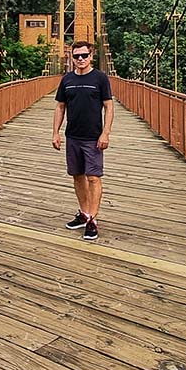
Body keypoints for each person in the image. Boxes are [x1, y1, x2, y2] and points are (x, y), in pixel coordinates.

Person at [52, 41, 113, 241]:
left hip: (93, 138)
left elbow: (109, 107)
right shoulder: (67, 79)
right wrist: (55, 133)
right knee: (77, 176)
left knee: (93, 178)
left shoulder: (100, 78)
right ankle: (84, 214)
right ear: (71, 57)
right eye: (76, 56)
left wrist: (105, 133)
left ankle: (93, 220)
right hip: (72, 137)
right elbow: (60, 107)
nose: (80, 59)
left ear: (91, 56)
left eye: (84, 55)